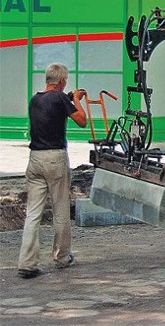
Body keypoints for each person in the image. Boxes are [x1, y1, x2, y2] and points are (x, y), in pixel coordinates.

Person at [18, 63, 87, 279]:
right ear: (62, 81)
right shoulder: (60, 99)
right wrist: (75, 99)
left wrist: (67, 99)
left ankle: (27, 263)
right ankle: (62, 257)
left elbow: (51, 111)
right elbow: (82, 121)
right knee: (60, 210)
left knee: (33, 213)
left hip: (35, 159)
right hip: (55, 158)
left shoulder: (35, 99)